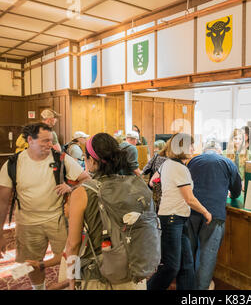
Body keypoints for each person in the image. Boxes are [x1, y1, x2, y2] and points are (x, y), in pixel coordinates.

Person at [0, 123, 90, 290]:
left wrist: (71, 187)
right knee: (31, 263)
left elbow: (86, 180)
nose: (50, 144)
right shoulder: (13, 164)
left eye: (50, 140)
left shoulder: (60, 158)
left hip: (59, 220)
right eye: (44, 141)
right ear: (30, 140)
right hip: (27, 223)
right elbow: (3, 200)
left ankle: (75, 286)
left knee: (73, 255)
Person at [65, 133, 147, 290]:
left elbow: (73, 244)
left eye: (85, 157)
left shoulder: (82, 193)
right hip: (135, 272)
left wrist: (71, 278)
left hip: (101, 274)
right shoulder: (137, 185)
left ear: (93, 161)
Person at [147, 133, 212, 290]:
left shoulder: (168, 164)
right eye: (190, 146)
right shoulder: (179, 168)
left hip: (176, 218)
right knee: (171, 267)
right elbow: (189, 199)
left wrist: (168, 189)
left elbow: (152, 181)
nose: (193, 148)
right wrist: (205, 212)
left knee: (186, 265)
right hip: (172, 219)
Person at [186, 138, 242, 290]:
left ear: (204, 150)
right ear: (219, 150)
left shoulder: (193, 161)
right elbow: (237, 190)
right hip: (214, 213)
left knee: (190, 251)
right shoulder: (227, 162)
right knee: (207, 254)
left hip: (191, 211)